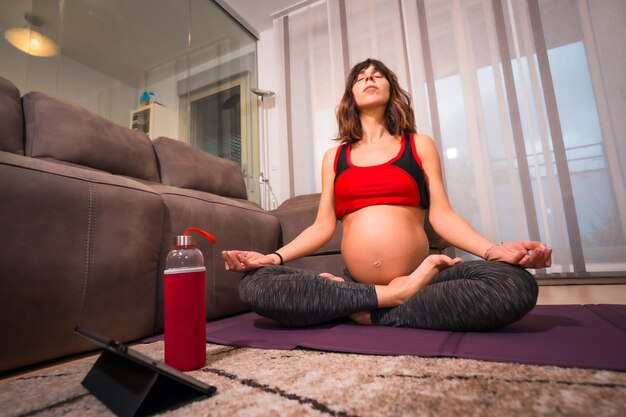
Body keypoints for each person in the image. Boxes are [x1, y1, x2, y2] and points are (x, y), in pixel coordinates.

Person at [222, 58, 552, 331]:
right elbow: (322, 227)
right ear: (350, 95)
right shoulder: (334, 158)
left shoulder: (418, 144)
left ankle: (361, 308)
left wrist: (494, 251)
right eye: (361, 77)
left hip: (423, 279)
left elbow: (442, 215)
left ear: (390, 89)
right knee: (256, 283)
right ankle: (389, 300)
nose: (369, 78)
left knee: (515, 285)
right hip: (359, 281)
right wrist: (272, 258)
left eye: (377, 75)